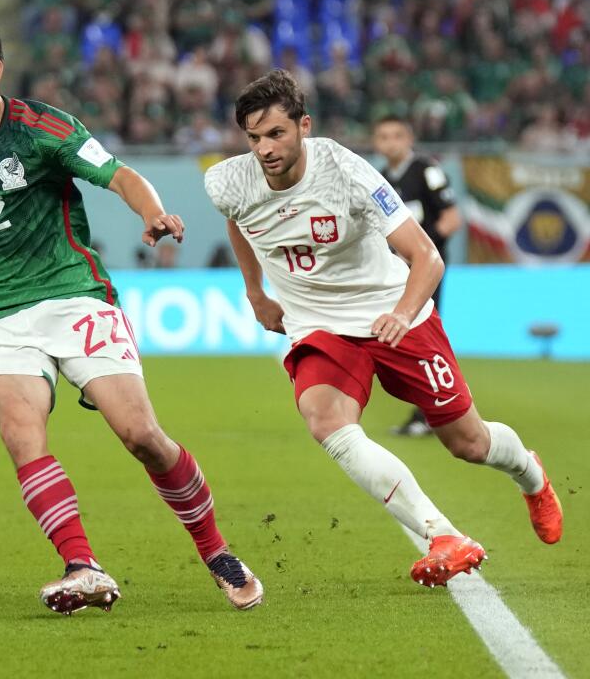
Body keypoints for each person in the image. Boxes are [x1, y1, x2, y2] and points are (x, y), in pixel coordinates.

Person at [0, 17, 262, 614]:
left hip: (74, 296)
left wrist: (153, 212)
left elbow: (119, 174)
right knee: (22, 434)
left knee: (141, 436)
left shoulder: (44, 129)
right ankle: (82, 567)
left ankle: (217, 550)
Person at [204, 70, 562, 588]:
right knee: (324, 419)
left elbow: (427, 257)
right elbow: (237, 218)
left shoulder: (349, 173)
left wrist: (401, 312)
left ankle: (530, 474)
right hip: (319, 324)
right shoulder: (227, 180)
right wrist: (256, 291)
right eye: (254, 137)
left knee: (469, 443)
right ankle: (443, 535)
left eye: (276, 134)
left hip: (395, 312)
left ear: (304, 126)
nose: (264, 148)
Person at [372, 116, 462, 437]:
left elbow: (452, 219)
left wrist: (421, 251)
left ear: (409, 138)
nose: (390, 142)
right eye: (383, 136)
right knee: (405, 338)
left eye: (396, 135)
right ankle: (429, 409)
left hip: (425, 269)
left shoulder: (426, 170)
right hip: (395, 273)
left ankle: (438, 408)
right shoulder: (379, 180)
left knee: (423, 335)